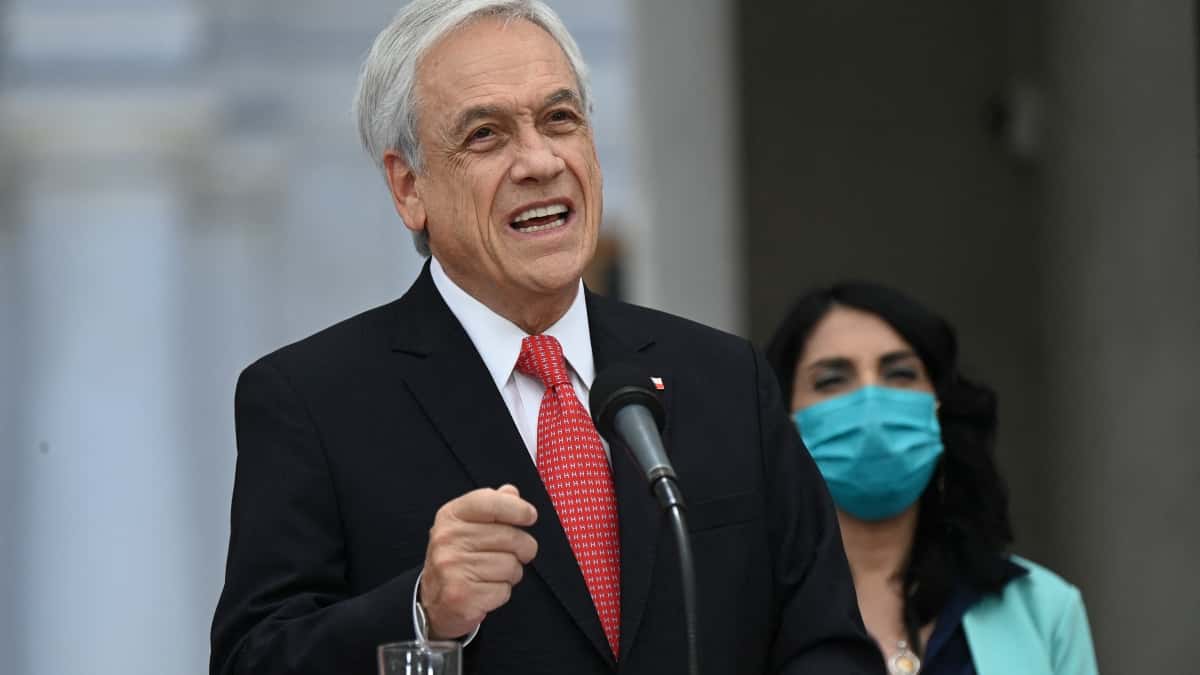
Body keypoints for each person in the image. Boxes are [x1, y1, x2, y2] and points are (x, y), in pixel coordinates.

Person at [209, 2, 884, 674]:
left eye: (560, 119)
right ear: (409, 186)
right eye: (485, 135)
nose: (539, 161)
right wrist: (420, 610)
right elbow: (253, 659)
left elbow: (826, 643)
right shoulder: (313, 401)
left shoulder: (725, 378)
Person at [765, 282, 1099, 675]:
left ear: (939, 407)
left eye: (900, 374)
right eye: (832, 380)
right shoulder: (739, 610)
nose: (871, 402)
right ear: (783, 416)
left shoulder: (1043, 610)